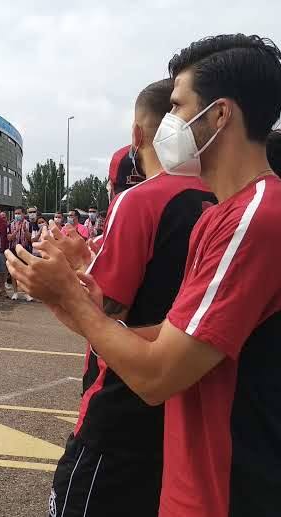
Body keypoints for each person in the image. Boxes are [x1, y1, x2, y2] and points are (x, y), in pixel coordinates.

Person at [7, 34, 281, 517]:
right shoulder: (226, 213)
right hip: (203, 484)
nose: (169, 123)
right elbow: (174, 339)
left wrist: (73, 304)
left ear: (220, 115)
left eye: (179, 107)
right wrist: (70, 298)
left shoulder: (256, 218)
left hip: (231, 493)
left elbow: (157, 375)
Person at [43, 77, 218, 517]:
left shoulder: (142, 200)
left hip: (125, 395)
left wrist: (58, 282)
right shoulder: (221, 198)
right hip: (191, 396)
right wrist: (87, 259)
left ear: (138, 135)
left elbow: (107, 311)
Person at [7, 206, 34, 301]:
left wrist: (25, 230)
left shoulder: (29, 224)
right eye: (16, 213)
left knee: (26, 272)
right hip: (14, 250)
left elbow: (31, 238)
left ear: (23, 214)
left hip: (25, 250)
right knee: (14, 272)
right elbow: (9, 238)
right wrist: (16, 230)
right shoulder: (10, 224)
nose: (17, 215)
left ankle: (27, 293)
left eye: (19, 213)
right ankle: (15, 292)